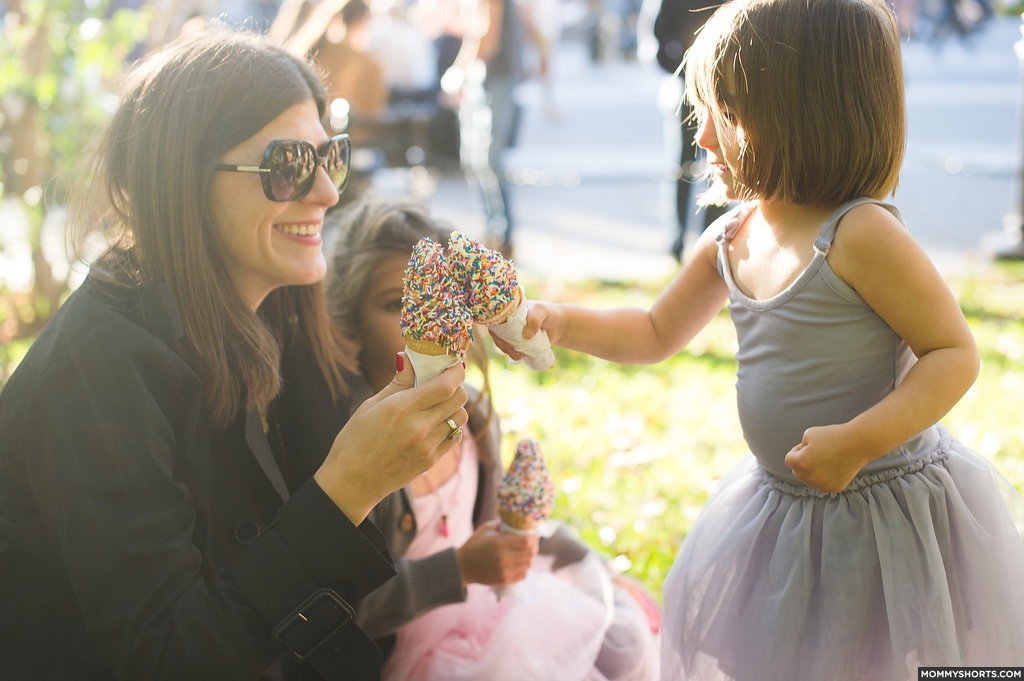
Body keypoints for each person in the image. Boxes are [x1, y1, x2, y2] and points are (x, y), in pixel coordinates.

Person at [498, 0, 1024, 677]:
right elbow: (656, 330)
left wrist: (860, 439)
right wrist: (565, 322)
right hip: (784, 511)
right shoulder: (732, 236)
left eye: (728, 113)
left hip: (881, 506)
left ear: (803, 115)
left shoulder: (860, 235)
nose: (705, 137)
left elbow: (954, 353)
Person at [0, 29, 470, 681]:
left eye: (328, 156)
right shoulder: (97, 369)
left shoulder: (281, 302)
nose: (328, 194)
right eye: (286, 165)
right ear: (184, 179)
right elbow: (167, 656)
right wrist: (346, 487)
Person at [324, 197, 661, 681]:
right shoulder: (357, 446)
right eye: (396, 304)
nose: (425, 318)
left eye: (443, 300)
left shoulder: (476, 417)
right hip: (410, 653)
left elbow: (490, 540)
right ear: (350, 327)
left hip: (489, 622)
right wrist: (457, 568)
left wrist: (508, 553)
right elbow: (349, 607)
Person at [443, 0, 528, 258]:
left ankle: (501, 235)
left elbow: (488, 33)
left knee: (487, 158)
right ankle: (493, 233)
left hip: (496, 77)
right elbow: (474, 29)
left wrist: (459, 72)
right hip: (487, 77)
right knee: (475, 158)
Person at [652, 0, 726, 262]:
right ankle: (679, 234)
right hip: (685, 89)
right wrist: (688, 71)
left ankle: (712, 236)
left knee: (719, 164)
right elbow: (659, 42)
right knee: (683, 163)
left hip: (724, 88)